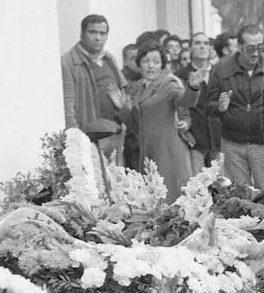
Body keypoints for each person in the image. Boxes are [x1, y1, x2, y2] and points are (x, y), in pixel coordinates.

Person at [205, 25, 264, 195]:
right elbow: (208, 104)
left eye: (260, 48)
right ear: (239, 47)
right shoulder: (221, 68)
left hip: (263, 142)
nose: (255, 53)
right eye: (250, 49)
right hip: (232, 142)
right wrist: (219, 107)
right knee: (239, 196)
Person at [110, 42, 202, 202]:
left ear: (162, 64)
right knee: (153, 204)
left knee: (172, 202)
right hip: (148, 152)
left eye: (156, 61)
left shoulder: (168, 84)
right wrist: (123, 108)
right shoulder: (136, 87)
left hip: (170, 153)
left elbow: (185, 101)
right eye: (146, 61)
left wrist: (193, 88)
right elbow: (136, 126)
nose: (151, 66)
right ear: (139, 64)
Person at [61, 14, 128, 165]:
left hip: (115, 136)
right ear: (82, 33)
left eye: (102, 33)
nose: (98, 38)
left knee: (117, 184)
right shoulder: (69, 62)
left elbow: (123, 91)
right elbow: (67, 102)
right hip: (90, 140)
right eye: (92, 32)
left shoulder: (108, 58)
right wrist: (75, 139)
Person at [176, 32, 219, 175]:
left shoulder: (219, 73)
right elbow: (179, 107)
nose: (202, 46)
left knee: (222, 186)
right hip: (194, 139)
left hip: (218, 138)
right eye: (197, 43)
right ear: (190, 49)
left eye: (206, 43)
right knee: (197, 187)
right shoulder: (180, 75)